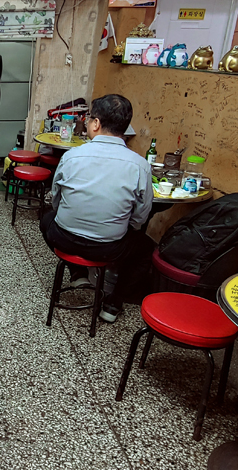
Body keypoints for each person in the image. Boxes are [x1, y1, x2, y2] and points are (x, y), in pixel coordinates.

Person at [40, 94, 154, 323]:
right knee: (146, 249)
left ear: (96, 123)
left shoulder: (71, 156)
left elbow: (56, 200)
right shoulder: (140, 165)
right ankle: (113, 304)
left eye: (90, 119)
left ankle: (77, 272)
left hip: (64, 238)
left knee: (46, 219)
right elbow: (141, 216)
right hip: (109, 248)